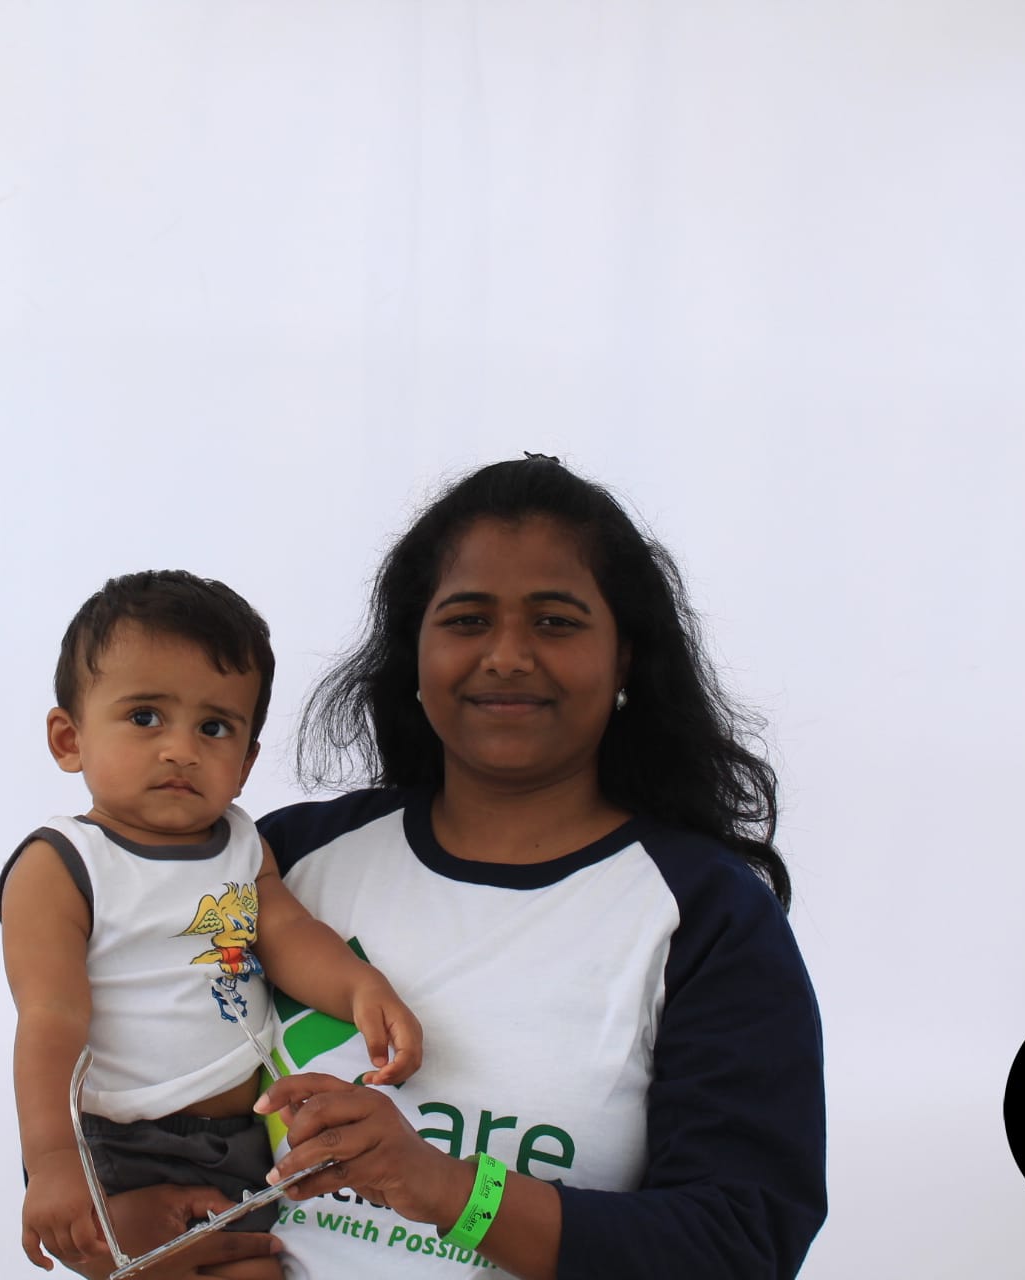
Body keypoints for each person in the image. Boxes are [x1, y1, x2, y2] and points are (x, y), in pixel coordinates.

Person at [62, 456, 825, 1280]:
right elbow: (110, 1063)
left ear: (625, 659)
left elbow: (741, 1244)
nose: (507, 655)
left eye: (555, 621)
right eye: (466, 620)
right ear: (415, 655)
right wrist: (116, 1226)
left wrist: (450, 1189)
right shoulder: (279, 863)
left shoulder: (705, 915)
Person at [0, 570, 423, 1277]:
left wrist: (358, 988)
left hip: (243, 1137)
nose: (181, 749)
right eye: (145, 717)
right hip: (122, 1145)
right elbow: (50, 1021)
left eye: (215, 727)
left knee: (259, 1268)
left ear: (246, 761)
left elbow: (287, 936)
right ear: (69, 739)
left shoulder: (242, 844)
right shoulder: (63, 865)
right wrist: (52, 1163)